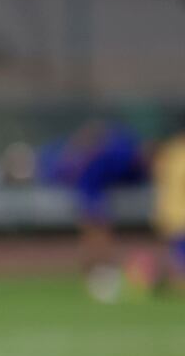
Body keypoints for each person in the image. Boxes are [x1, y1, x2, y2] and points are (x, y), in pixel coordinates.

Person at [39, 120, 150, 275]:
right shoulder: (102, 160)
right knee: (96, 231)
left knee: (96, 231)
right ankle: (98, 268)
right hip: (91, 194)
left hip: (94, 193)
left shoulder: (115, 154)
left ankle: (99, 267)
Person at [153, 116, 185, 291]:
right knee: (178, 251)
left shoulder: (170, 151)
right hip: (177, 212)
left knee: (177, 251)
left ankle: (174, 281)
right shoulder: (173, 152)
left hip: (171, 211)